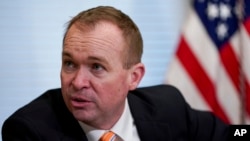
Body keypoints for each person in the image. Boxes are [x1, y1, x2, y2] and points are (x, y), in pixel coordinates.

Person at [2, 6, 229, 141]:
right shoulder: (29, 131)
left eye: (97, 67)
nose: (78, 82)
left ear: (134, 77)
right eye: (69, 63)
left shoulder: (167, 106)